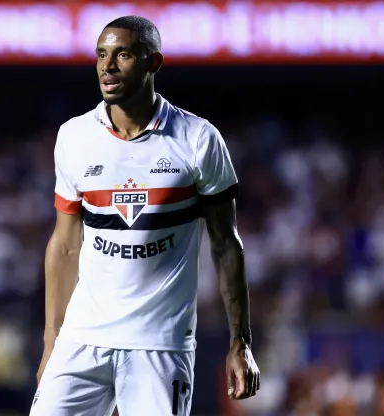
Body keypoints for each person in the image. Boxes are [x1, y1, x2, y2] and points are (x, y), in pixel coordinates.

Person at [31, 16, 260, 416]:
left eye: (122, 54)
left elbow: (226, 246)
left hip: (160, 344)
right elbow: (65, 246)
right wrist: (52, 340)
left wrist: (240, 343)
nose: (108, 66)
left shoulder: (198, 140)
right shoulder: (74, 137)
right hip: (81, 340)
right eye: (102, 54)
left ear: (153, 63)